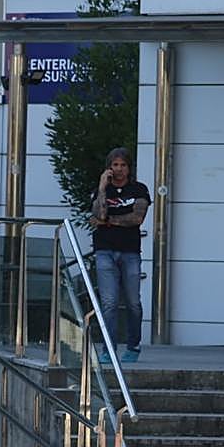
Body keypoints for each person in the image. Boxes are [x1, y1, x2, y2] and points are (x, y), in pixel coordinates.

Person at [90, 147, 151, 364]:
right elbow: (98, 215)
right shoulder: (101, 190)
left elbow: (136, 219)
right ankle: (108, 348)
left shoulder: (139, 190)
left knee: (133, 301)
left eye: (122, 165)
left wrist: (108, 222)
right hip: (104, 250)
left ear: (129, 167)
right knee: (109, 302)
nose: (119, 170)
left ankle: (133, 345)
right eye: (115, 165)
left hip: (130, 251)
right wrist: (101, 188)